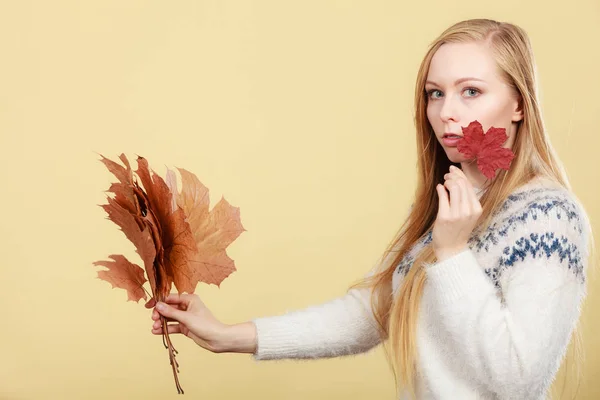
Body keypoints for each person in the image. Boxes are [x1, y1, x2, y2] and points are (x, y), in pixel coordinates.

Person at [145, 18, 594, 400]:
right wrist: (229, 336)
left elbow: (519, 377)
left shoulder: (548, 218)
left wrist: (454, 254)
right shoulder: (454, 196)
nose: (446, 112)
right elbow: (376, 310)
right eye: (435, 93)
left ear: (518, 104)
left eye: (471, 91)